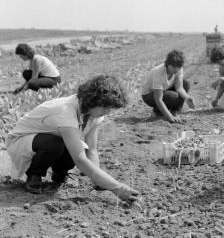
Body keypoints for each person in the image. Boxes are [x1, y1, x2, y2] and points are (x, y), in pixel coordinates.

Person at [6, 74, 138, 201]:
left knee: (77, 145)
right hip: (22, 141)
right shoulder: (65, 111)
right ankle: (34, 174)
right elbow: (80, 160)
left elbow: (92, 149)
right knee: (57, 144)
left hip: (50, 139)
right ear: (93, 100)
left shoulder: (94, 114)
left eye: (110, 108)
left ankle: (60, 174)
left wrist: (99, 182)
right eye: (105, 107)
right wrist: (116, 187)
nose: (108, 112)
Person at [141, 50, 195, 123]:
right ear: (168, 64)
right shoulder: (158, 72)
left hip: (164, 90)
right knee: (173, 96)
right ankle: (157, 113)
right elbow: (158, 99)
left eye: (178, 67)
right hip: (149, 95)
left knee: (185, 84)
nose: (176, 69)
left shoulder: (179, 69)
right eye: (173, 67)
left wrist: (187, 98)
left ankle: (174, 112)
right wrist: (169, 116)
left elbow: (180, 88)